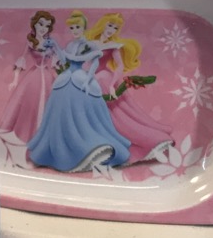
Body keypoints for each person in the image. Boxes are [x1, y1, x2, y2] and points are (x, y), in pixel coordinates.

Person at [26, 11, 130, 172]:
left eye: (78, 27)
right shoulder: (70, 45)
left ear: (84, 28)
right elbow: (64, 60)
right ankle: (60, 148)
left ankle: (86, 145)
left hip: (82, 80)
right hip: (66, 78)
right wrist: (55, 46)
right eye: (72, 28)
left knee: (83, 115)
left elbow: (94, 63)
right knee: (59, 111)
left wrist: (89, 79)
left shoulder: (91, 45)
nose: (75, 30)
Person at [87, 13, 174, 163]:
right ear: (103, 25)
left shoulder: (114, 46)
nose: (111, 30)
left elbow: (120, 66)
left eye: (115, 28)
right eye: (110, 25)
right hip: (87, 79)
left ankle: (129, 140)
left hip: (103, 79)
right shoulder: (89, 43)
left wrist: (112, 84)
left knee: (115, 114)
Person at [0, 10, 59, 144]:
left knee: (49, 104)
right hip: (33, 77)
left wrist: (60, 78)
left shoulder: (50, 43)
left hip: (48, 76)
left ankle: (46, 137)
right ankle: (28, 135)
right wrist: (14, 80)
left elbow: (55, 64)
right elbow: (21, 60)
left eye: (47, 26)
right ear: (34, 24)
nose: (43, 28)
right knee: (29, 105)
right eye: (41, 24)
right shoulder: (31, 42)